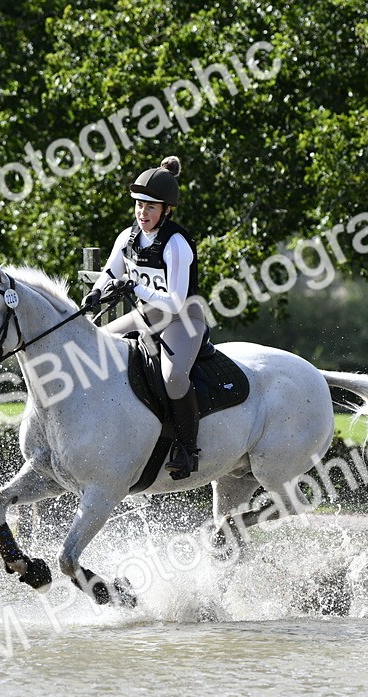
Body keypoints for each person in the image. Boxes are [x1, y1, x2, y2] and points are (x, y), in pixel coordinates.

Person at [82, 156, 208, 480]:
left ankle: (186, 449)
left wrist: (136, 285)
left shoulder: (176, 244)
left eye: (151, 207)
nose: (143, 213)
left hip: (183, 318)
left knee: (172, 378)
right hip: (148, 314)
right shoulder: (128, 237)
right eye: (139, 205)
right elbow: (111, 271)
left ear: (166, 210)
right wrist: (97, 292)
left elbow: (177, 300)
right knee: (97, 346)